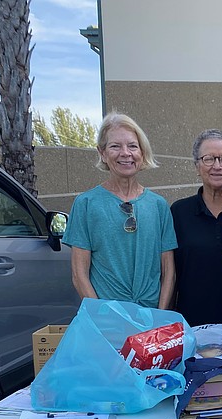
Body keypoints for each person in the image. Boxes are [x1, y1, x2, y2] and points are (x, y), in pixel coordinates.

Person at [63, 112, 176, 308]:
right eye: (115, 146)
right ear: (102, 153)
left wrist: (161, 315)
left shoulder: (159, 206)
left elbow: (169, 272)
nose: (126, 153)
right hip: (107, 319)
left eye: (133, 146)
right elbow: (78, 274)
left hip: (150, 319)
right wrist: (102, 317)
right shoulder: (86, 204)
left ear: (142, 152)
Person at [170, 129, 222, 326]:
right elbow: (170, 274)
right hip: (190, 327)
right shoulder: (179, 212)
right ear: (197, 166)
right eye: (209, 159)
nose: (217, 166)